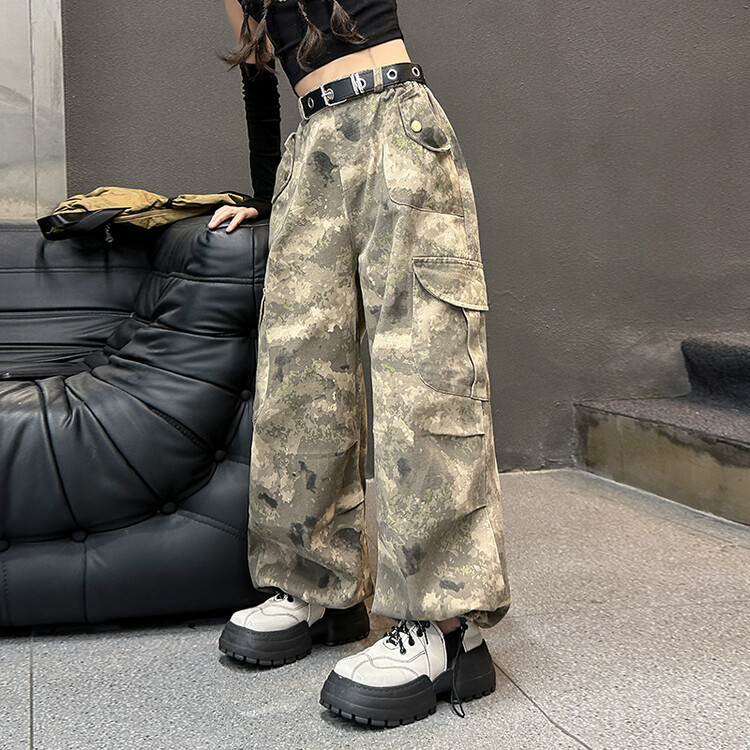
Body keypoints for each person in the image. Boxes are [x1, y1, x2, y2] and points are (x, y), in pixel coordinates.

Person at [208, 0, 511, 728]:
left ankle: (445, 630)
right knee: (297, 381)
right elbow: (258, 78)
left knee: (425, 374)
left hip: (396, 126)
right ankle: (316, 585)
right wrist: (265, 195)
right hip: (312, 151)